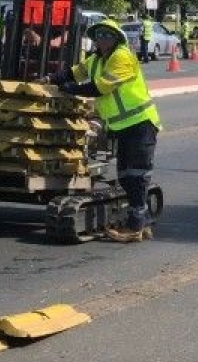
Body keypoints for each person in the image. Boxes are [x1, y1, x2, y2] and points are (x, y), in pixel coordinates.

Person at [51, 18, 160, 242]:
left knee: (135, 177)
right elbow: (75, 72)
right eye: (99, 35)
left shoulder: (122, 57)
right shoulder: (97, 59)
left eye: (107, 35)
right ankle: (143, 224)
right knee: (125, 176)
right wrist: (52, 79)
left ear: (116, 38)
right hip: (122, 126)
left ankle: (135, 227)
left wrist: (71, 89)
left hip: (140, 123)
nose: (102, 39)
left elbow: (100, 87)